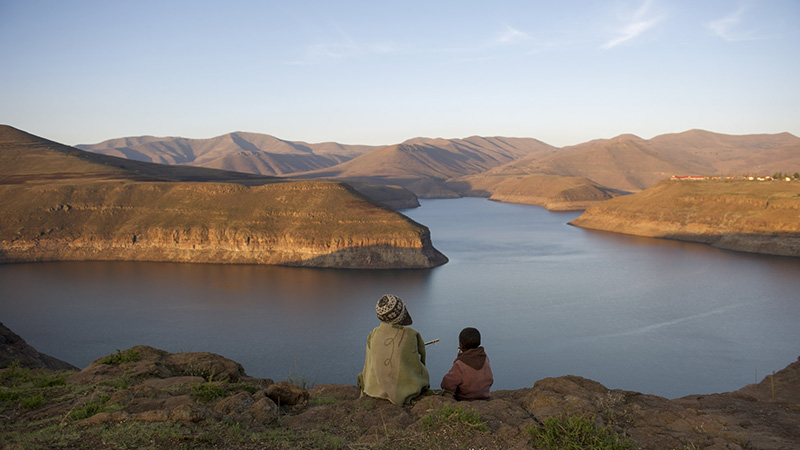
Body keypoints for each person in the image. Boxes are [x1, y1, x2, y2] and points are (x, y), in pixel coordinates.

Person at [357, 294, 430, 405]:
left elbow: (369, 363)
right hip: (403, 390)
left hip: (373, 388)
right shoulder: (410, 335)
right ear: (401, 314)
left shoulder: (373, 334)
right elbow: (417, 364)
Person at [440, 327, 493, 401]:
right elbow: (490, 378)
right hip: (484, 396)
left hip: (465, 399)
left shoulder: (460, 364)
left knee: (447, 394)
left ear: (461, 345)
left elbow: (447, 385)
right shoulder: (485, 358)